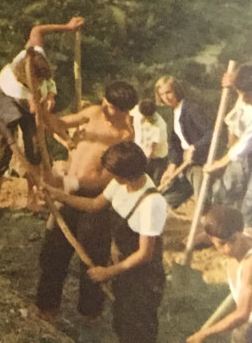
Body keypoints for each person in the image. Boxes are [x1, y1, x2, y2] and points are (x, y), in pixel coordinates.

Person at [35, 80, 138, 327]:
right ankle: (46, 309)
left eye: (111, 107)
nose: (104, 108)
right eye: (104, 102)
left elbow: (105, 181)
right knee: (53, 253)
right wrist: (41, 109)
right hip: (67, 196)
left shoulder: (125, 138)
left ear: (125, 111)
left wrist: (69, 184)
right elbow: (59, 123)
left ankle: (89, 314)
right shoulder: (92, 113)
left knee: (92, 259)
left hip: (95, 205)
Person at [47, 141, 167, 343]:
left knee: (137, 328)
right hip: (123, 265)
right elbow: (95, 204)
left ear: (125, 174)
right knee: (121, 320)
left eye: (113, 172)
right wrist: (60, 196)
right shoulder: (120, 184)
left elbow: (145, 253)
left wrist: (108, 272)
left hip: (142, 276)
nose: (110, 175)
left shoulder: (151, 203)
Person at [0, 17, 86, 221]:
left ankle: (32, 198)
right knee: (0, 157)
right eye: (40, 81)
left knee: (35, 152)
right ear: (29, 81)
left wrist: (67, 27)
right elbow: (39, 112)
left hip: (34, 102)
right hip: (3, 104)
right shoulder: (18, 87)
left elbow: (38, 29)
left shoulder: (34, 52)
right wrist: (60, 131)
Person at [187, 206, 252, 343]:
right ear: (210, 238)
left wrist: (204, 334)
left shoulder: (251, 263)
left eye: (233, 240)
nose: (228, 248)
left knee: (239, 336)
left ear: (240, 230)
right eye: (221, 243)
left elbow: (242, 314)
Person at [207, 65, 252, 229]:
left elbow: (247, 142)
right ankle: (223, 231)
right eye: (241, 94)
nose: (244, 99)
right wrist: (233, 77)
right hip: (239, 146)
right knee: (222, 191)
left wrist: (220, 163)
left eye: (249, 95)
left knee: (251, 204)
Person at [157, 75, 214, 209]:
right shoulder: (172, 114)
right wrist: (171, 166)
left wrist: (195, 148)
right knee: (167, 197)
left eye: (169, 92)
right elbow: (174, 144)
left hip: (200, 162)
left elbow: (211, 133)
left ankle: (209, 227)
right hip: (184, 163)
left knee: (202, 203)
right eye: (162, 94)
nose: (166, 97)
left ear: (176, 90)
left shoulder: (191, 109)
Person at [131, 97, 170, 184]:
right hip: (139, 153)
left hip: (157, 159)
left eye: (148, 117)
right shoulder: (136, 111)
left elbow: (150, 151)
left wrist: (140, 167)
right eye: (143, 116)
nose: (145, 119)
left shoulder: (159, 125)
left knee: (154, 183)